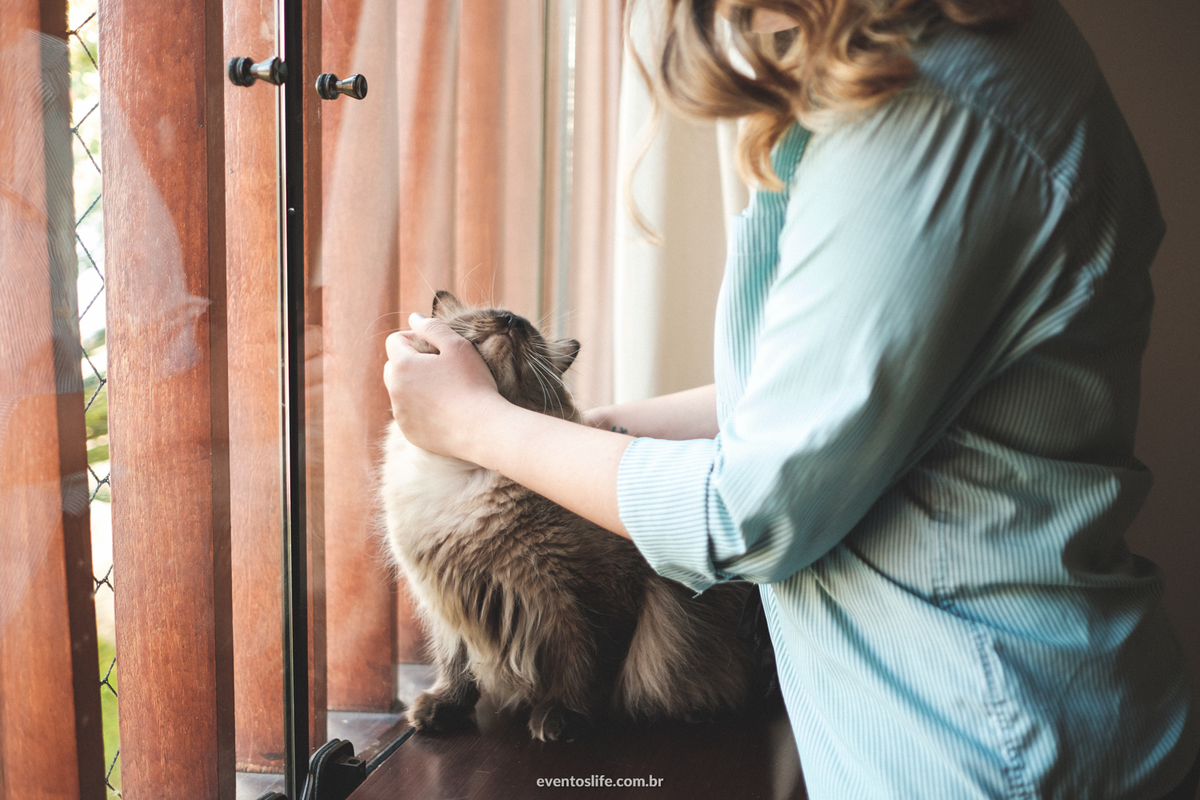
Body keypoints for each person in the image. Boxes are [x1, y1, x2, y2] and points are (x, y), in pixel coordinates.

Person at [383, 0, 1200, 796]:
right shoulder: (904, 67)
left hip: (985, 741)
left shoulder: (925, 113)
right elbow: (811, 396)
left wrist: (476, 425)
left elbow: (750, 513)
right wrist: (589, 433)